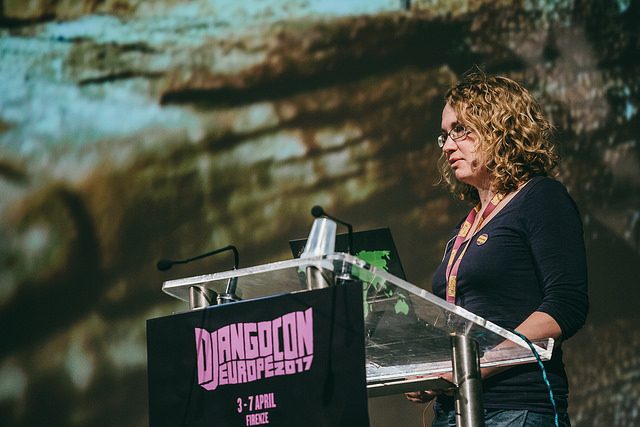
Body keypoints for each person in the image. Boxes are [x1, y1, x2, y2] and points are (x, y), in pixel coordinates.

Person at [405, 71, 589, 427]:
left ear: (498, 128)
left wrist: (471, 366)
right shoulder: (468, 222)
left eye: (459, 129)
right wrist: (430, 372)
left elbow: (565, 306)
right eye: (444, 135)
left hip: (517, 410)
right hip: (457, 410)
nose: (446, 146)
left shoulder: (541, 197)